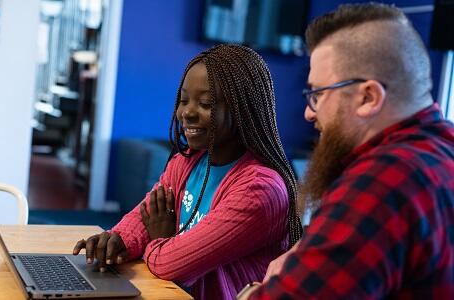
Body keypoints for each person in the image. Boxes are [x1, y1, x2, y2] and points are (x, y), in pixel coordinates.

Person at [241, 3, 454, 299]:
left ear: (368, 97)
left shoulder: (384, 181)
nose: (308, 113)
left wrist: (254, 291)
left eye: (317, 94)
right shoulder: (443, 151)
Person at [72, 44, 302, 300]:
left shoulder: (261, 189)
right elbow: (145, 215)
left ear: (243, 109)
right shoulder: (187, 160)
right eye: (183, 100)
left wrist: (162, 238)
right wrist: (118, 239)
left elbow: (169, 264)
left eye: (206, 103)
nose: (187, 113)